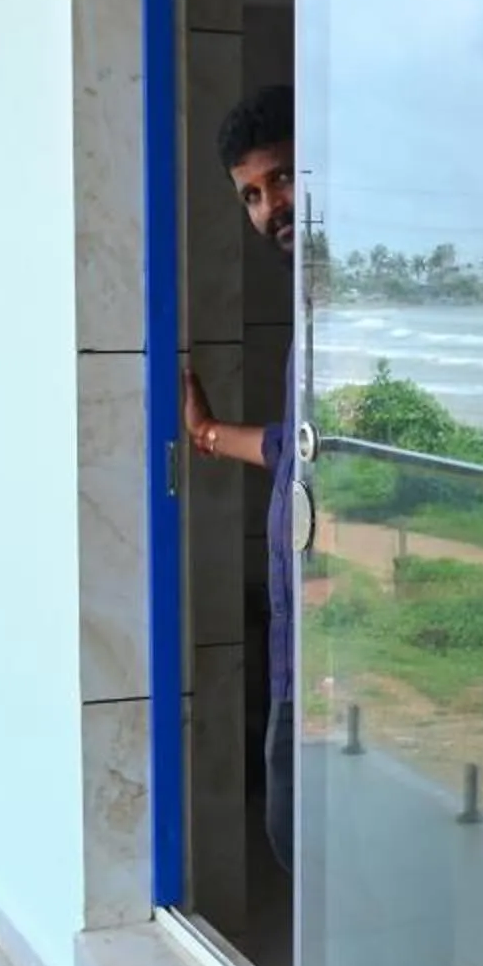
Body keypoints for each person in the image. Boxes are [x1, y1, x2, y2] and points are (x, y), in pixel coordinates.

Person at [181, 85, 300, 869]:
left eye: (282, 177)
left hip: (349, 643)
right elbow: (301, 450)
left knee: (315, 846)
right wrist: (207, 435)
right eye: (251, 195)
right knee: (294, 836)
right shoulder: (320, 303)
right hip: (303, 646)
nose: (269, 207)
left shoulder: (360, 304)